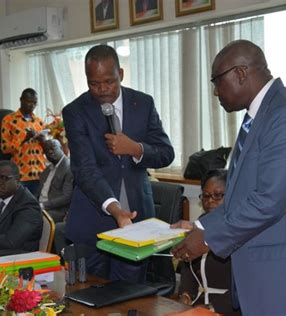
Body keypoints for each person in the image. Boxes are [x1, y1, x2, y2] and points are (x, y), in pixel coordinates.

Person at [171, 40, 286, 315]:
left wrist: (207, 239)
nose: (216, 92)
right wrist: (199, 225)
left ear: (240, 73)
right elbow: (242, 197)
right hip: (266, 279)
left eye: (217, 81)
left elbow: (270, 199)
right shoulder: (260, 117)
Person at [62, 44, 174, 282]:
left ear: (120, 74)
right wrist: (115, 210)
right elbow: (84, 169)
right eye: (94, 83)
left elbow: (166, 153)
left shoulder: (143, 104)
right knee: (89, 299)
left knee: (132, 297)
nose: (102, 90)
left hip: (136, 223)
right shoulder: (75, 111)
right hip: (92, 222)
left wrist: (134, 148)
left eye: (109, 81)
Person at [177, 169, 238, 314]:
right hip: (196, 305)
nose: (210, 201)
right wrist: (185, 295)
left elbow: (245, 287)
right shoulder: (199, 225)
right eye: (205, 196)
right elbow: (187, 266)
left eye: (217, 195)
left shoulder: (239, 231)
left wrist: (211, 308)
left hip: (227, 309)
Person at [1, 88, 46, 195]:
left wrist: (43, 140)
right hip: (20, 173)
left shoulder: (39, 122)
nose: (32, 105)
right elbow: (5, 148)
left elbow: (45, 150)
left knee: (38, 206)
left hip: (40, 172)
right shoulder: (8, 120)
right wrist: (23, 139)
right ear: (21, 100)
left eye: (34, 103)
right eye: (29, 101)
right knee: (21, 206)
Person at [35, 139, 73, 223]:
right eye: (46, 150)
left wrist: (43, 205)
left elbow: (66, 197)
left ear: (61, 148)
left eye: (53, 148)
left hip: (56, 210)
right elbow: (37, 194)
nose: (50, 152)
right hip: (39, 206)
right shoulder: (46, 171)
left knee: (32, 218)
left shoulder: (69, 168)